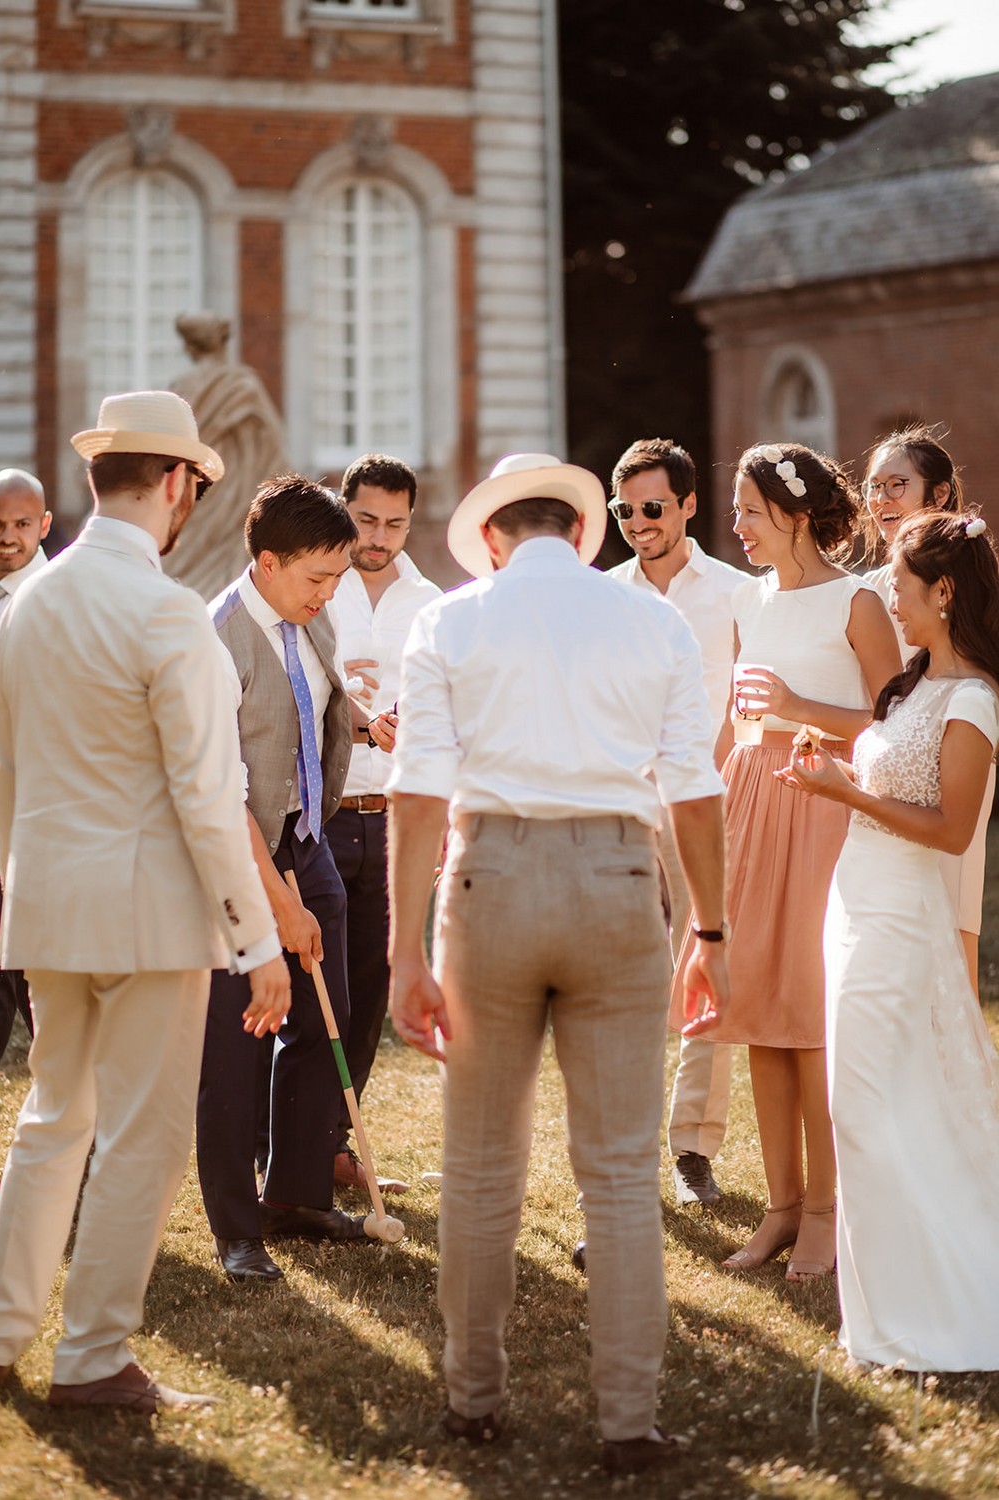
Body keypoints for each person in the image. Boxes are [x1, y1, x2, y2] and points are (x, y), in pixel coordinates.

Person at [387, 453, 729, 1475]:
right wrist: (710, 933)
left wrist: (404, 950)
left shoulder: (448, 620)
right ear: (580, 535)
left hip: (488, 878)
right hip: (620, 882)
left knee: (482, 1169)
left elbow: (414, 790)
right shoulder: (650, 620)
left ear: (493, 539)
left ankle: (471, 1398)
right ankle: (628, 1420)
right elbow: (693, 787)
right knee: (620, 1176)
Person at [0, 390, 290, 1410]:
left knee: (50, 1121)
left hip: (44, 904)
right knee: (141, 1138)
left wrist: (15, 888)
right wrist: (258, 942)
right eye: (193, 491)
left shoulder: (26, 602)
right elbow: (210, 799)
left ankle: (2, 1336)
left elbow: (6, 776)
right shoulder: (167, 610)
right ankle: (92, 1359)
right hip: (149, 916)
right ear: (176, 483)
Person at [670, 442, 900, 1281]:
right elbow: (738, 719)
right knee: (758, 1006)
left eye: (750, 512)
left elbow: (893, 727)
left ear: (798, 516)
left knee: (809, 1019)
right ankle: (778, 1208)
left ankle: (827, 1215)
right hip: (749, 801)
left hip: (823, 807)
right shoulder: (747, 601)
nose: (738, 527)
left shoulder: (860, 602)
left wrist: (803, 710)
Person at [780, 509, 999, 1369]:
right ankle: (876, 1314)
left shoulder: (976, 699)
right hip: (854, 906)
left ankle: (924, 1307)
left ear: (944, 593)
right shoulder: (908, 688)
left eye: (902, 590)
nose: (891, 605)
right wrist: (824, 765)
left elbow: (950, 830)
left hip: (902, 919)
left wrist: (846, 795)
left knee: (865, 1108)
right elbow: (879, 765)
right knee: (877, 1104)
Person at [198, 474, 395, 1283]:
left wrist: (353, 715)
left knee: (328, 1016)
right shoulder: (215, 640)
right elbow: (221, 788)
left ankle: (295, 1195)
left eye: (339, 578)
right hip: (239, 853)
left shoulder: (308, 616)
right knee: (239, 1040)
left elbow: (307, 698)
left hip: (307, 837)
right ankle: (236, 1226)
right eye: (318, 578)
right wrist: (279, 899)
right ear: (269, 562)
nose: (331, 593)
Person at [607, 437, 745, 1207]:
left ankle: (692, 1146)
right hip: (619, 806)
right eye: (625, 509)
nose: (638, 521)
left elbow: (752, 701)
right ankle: (623, 1140)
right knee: (627, 976)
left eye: (653, 507)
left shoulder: (734, 593)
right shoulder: (603, 595)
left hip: (703, 805)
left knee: (705, 962)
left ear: (689, 505)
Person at [326, 452, 440, 1194]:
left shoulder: (430, 602)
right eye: (367, 519)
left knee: (369, 988)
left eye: (395, 523)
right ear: (345, 510)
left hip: (394, 816)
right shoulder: (313, 586)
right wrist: (356, 718)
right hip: (322, 814)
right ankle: (283, 1145)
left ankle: (336, 1143)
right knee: (316, 992)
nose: (380, 535)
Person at [861, 426, 991, 995]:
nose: (882, 500)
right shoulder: (865, 592)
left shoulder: (969, 582)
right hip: (887, 766)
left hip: (951, 754)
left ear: (937, 496)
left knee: (950, 915)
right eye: (874, 488)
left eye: (897, 485)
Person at [166, 312, 287, 600]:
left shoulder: (180, 388)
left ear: (190, 348)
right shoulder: (243, 386)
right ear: (223, 342)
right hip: (237, 495)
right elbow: (275, 445)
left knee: (183, 571)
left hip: (196, 495)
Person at [0, 469, 52, 1062]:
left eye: (21, 524)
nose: (8, 537)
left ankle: (89, 1150)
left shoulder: (54, 603)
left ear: (42, 524)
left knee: (47, 1009)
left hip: (33, 840)